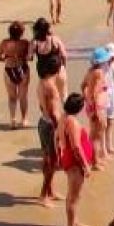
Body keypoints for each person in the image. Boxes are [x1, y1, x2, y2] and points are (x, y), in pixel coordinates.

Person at [59, 92, 93, 226]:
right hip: (75, 163)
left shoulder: (63, 117)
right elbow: (76, 147)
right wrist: (85, 165)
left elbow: (56, 137)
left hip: (69, 159)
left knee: (74, 195)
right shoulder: (72, 122)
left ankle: (75, 222)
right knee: (73, 197)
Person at [0, 21, 31, 128]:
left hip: (9, 69)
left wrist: (7, 58)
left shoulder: (4, 43)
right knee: (23, 96)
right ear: (21, 33)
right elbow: (30, 57)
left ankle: (13, 120)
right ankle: (24, 119)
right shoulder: (25, 43)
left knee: (11, 97)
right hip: (22, 69)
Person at [37, 71, 63, 207]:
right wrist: (60, 129)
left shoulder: (41, 83)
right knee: (52, 162)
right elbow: (53, 112)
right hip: (51, 126)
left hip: (43, 121)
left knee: (47, 159)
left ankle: (50, 191)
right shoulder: (51, 87)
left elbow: (42, 107)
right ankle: (43, 195)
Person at [82, 48, 110, 169]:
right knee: (96, 137)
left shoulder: (90, 71)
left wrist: (86, 100)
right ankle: (95, 162)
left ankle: (93, 159)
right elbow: (94, 92)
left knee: (93, 135)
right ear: (102, 62)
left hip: (91, 106)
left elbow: (83, 86)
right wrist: (96, 110)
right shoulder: (99, 73)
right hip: (97, 107)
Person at [32, 18, 68, 96]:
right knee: (63, 95)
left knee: (44, 99)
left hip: (44, 73)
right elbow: (64, 55)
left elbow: (29, 57)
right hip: (57, 69)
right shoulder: (55, 39)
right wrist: (64, 67)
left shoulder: (35, 42)